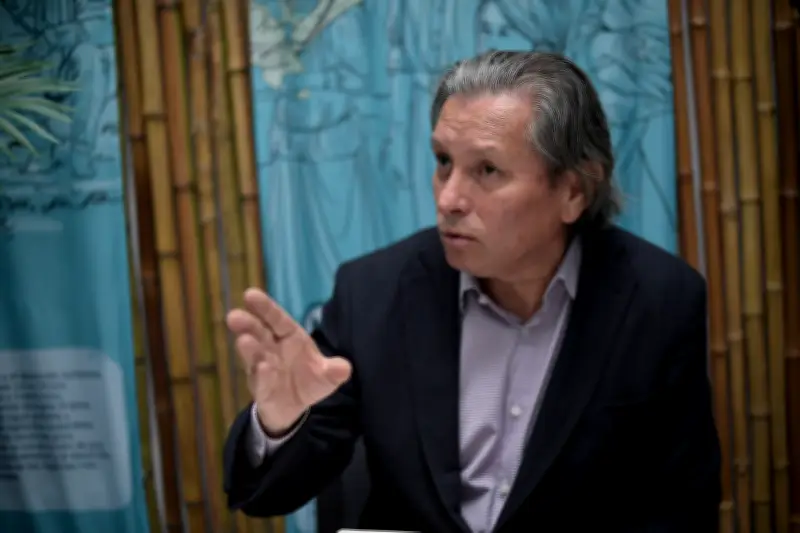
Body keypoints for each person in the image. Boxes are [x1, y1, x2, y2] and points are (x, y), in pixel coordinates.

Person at [222, 51, 721, 532]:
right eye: (443, 161)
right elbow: (270, 495)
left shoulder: (658, 300)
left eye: (487, 170)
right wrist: (280, 425)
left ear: (573, 191)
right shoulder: (373, 292)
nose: (449, 198)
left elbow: (680, 507)